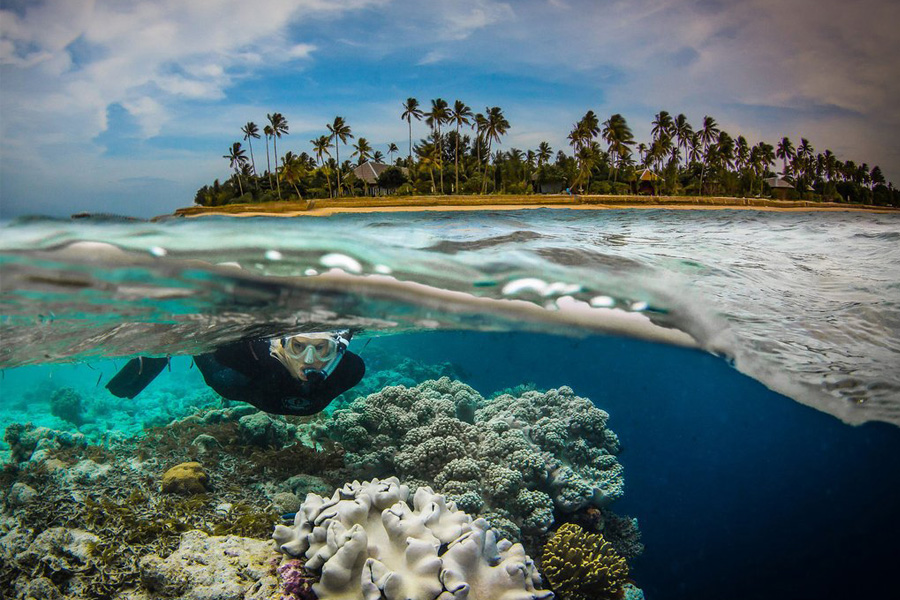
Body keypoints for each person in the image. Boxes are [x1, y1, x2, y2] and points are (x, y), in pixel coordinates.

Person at [105, 330, 364, 416]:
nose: (309, 360)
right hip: (235, 382)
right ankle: (161, 355)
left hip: (258, 388)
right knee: (194, 341)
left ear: (337, 350)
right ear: (282, 343)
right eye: (297, 346)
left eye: (322, 348)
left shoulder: (350, 370)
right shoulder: (250, 360)